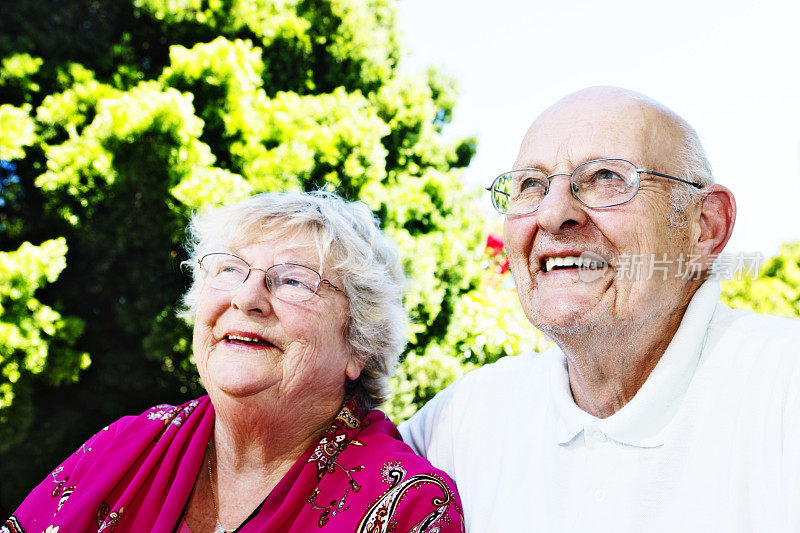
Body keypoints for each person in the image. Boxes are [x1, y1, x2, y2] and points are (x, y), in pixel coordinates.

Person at [399, 87, 800, 532]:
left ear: (704, 226)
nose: (552, 214)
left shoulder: (785, 389)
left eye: (607, 177)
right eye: (531, 185)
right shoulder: (465, 418)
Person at [7, 191, 464, 533]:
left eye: (292, 280)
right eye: (228, 270)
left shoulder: (408, 506)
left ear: (359, 346)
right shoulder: (127, 446)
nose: (247, 298)